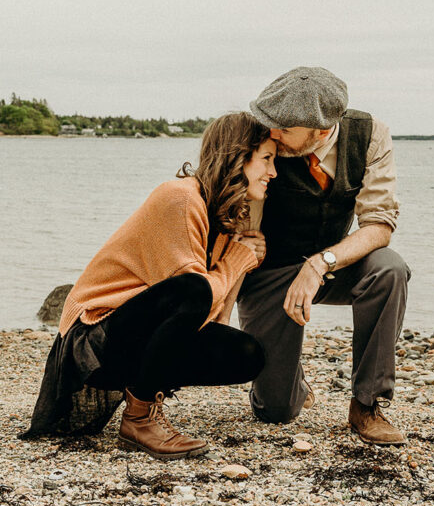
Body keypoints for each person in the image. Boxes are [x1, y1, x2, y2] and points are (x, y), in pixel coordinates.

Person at [21, 112, 274, 460]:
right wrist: (237, 261)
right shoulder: (181, 199)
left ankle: (143, 393)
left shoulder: (225, 214)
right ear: (237, 156)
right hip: (91, 337)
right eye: (267, 159)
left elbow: (209, 320)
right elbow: (195, 296)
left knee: (247, 355)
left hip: (132, 335)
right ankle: (139, 419)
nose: (273, 172)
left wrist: (235, 254)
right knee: (194, 289)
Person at [240, 66, 411, 445]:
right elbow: (226, 212)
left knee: (389, 269)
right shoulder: (257, 133)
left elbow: (379, 225)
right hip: (268, 273)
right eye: (271, 123)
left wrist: (320, 263)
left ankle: (366, 405)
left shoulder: (370, 135)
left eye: (285, 129)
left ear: (320, 130)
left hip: (332, 266)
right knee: (276, 412)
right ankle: (289, 379)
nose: (274, 134)